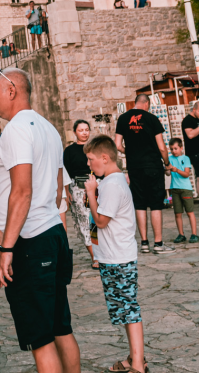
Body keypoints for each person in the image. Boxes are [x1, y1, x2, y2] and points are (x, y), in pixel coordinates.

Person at [0, 67, 80, 373]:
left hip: (30, 241)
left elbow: (22, 192)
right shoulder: (48, 128)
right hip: (53, 234)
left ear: (12, 90)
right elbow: (58, 191)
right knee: (60, 327)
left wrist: (6, 249)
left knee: (41, 340)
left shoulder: (16, 129)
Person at [84, 136, 147, 373]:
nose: (89, 165)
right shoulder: (111, 182)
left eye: (91, 160)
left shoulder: (111, 184)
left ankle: (138, 364)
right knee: (123, 310)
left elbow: (100, 221)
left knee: (129, 310)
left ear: (104, 158)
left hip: (118, 258)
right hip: (112, 255)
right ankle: (134, 358)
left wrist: (91, 193)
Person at [114, 95, 174, 254]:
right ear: (146, 103)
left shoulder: (123, 118)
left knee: (139, 204)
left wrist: (131, 152)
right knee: (155, 204)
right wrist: (167, 163)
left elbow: (117, 145)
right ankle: (158, 243)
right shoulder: (152, 118)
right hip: (153, 166)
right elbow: (161, 147)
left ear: (136, 103)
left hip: (135, 167)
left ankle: (144, 243)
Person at [63, 119, 98, 268]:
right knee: (84, 223)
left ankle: (103, 252)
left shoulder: (96, 148)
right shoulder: (70, 151)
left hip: (96, 187)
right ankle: (95, 257)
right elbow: (65, 172)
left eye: (86, 129)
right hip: (77, 189)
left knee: (97, 221)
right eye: (81, 130)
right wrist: (66, 192)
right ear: (75, 132)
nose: (84, 132)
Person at [166, 138, 199, 244]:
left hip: (186, 189)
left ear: (181, 148)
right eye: (171, 149)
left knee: (190, 212)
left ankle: (194, 234)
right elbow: (167, 174)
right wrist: (167, 169)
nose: (174, 151)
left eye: (175, 148)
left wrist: (176, 170)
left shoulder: (186, 158)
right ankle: (181, 234)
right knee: (177, 213)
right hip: (174, 189)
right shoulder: (169, 158)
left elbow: (186, 174)